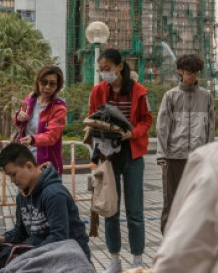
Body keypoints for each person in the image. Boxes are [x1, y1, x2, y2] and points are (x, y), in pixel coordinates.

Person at [88, 49, 153, 272]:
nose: (105, 73)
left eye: (108, 68)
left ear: (120, 67)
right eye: (101, 69)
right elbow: (91, 116)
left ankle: (137, 259)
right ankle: (114, 258)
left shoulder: (139, 91)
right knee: (110, 208)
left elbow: (147, 120)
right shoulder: (98, 91)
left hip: (132, 154)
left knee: (135, 210)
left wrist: (132, 132)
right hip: (108, 155)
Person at [0, 143, 90, 261]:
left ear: (28, 166)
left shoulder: (54, 194)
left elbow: (59, 237)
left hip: (70, 258)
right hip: (41, 254)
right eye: (9, 176)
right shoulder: (22, 196)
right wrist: (3, 238)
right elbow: (21, 231)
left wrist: (26, 256)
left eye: (13, 174)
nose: (12, 181)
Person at [155, 53, 214, 234]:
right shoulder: (171, 96)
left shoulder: (206, 96)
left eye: (196, 73)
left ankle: (191, 240)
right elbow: (163, 126)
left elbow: (210, 127)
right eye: (189, 72)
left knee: (196, 200)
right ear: (180, 71)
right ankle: (168, 240)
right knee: (171, 201)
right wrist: (161, 154)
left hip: (197, 158)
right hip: (173, 157)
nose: (193, 76)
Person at [13, 65, 67, 174]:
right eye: (44, 82)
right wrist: (18, 117)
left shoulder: (59, 107)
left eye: (52, 84)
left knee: (47, 191)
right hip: (25, 160)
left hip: (47, 165)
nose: (47, 87)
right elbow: (19, 124)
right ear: (38, 82)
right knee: (25, 191)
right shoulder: (29, 100)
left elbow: (52, 136)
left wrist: (33, 139)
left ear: (57, 86)